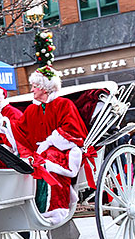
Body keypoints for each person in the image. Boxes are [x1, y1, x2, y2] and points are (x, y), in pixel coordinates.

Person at [13, 66, 88, 225]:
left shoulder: (64, 104)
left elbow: (72, 130)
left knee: (47, 160)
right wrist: (3, 125)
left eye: (35, 86)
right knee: (25, 161)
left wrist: (49, 142)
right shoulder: (32, 110)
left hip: (65, 151)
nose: (32, 89)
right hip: (39, 151)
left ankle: (56, 207)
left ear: (45, 88)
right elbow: (20, 130)